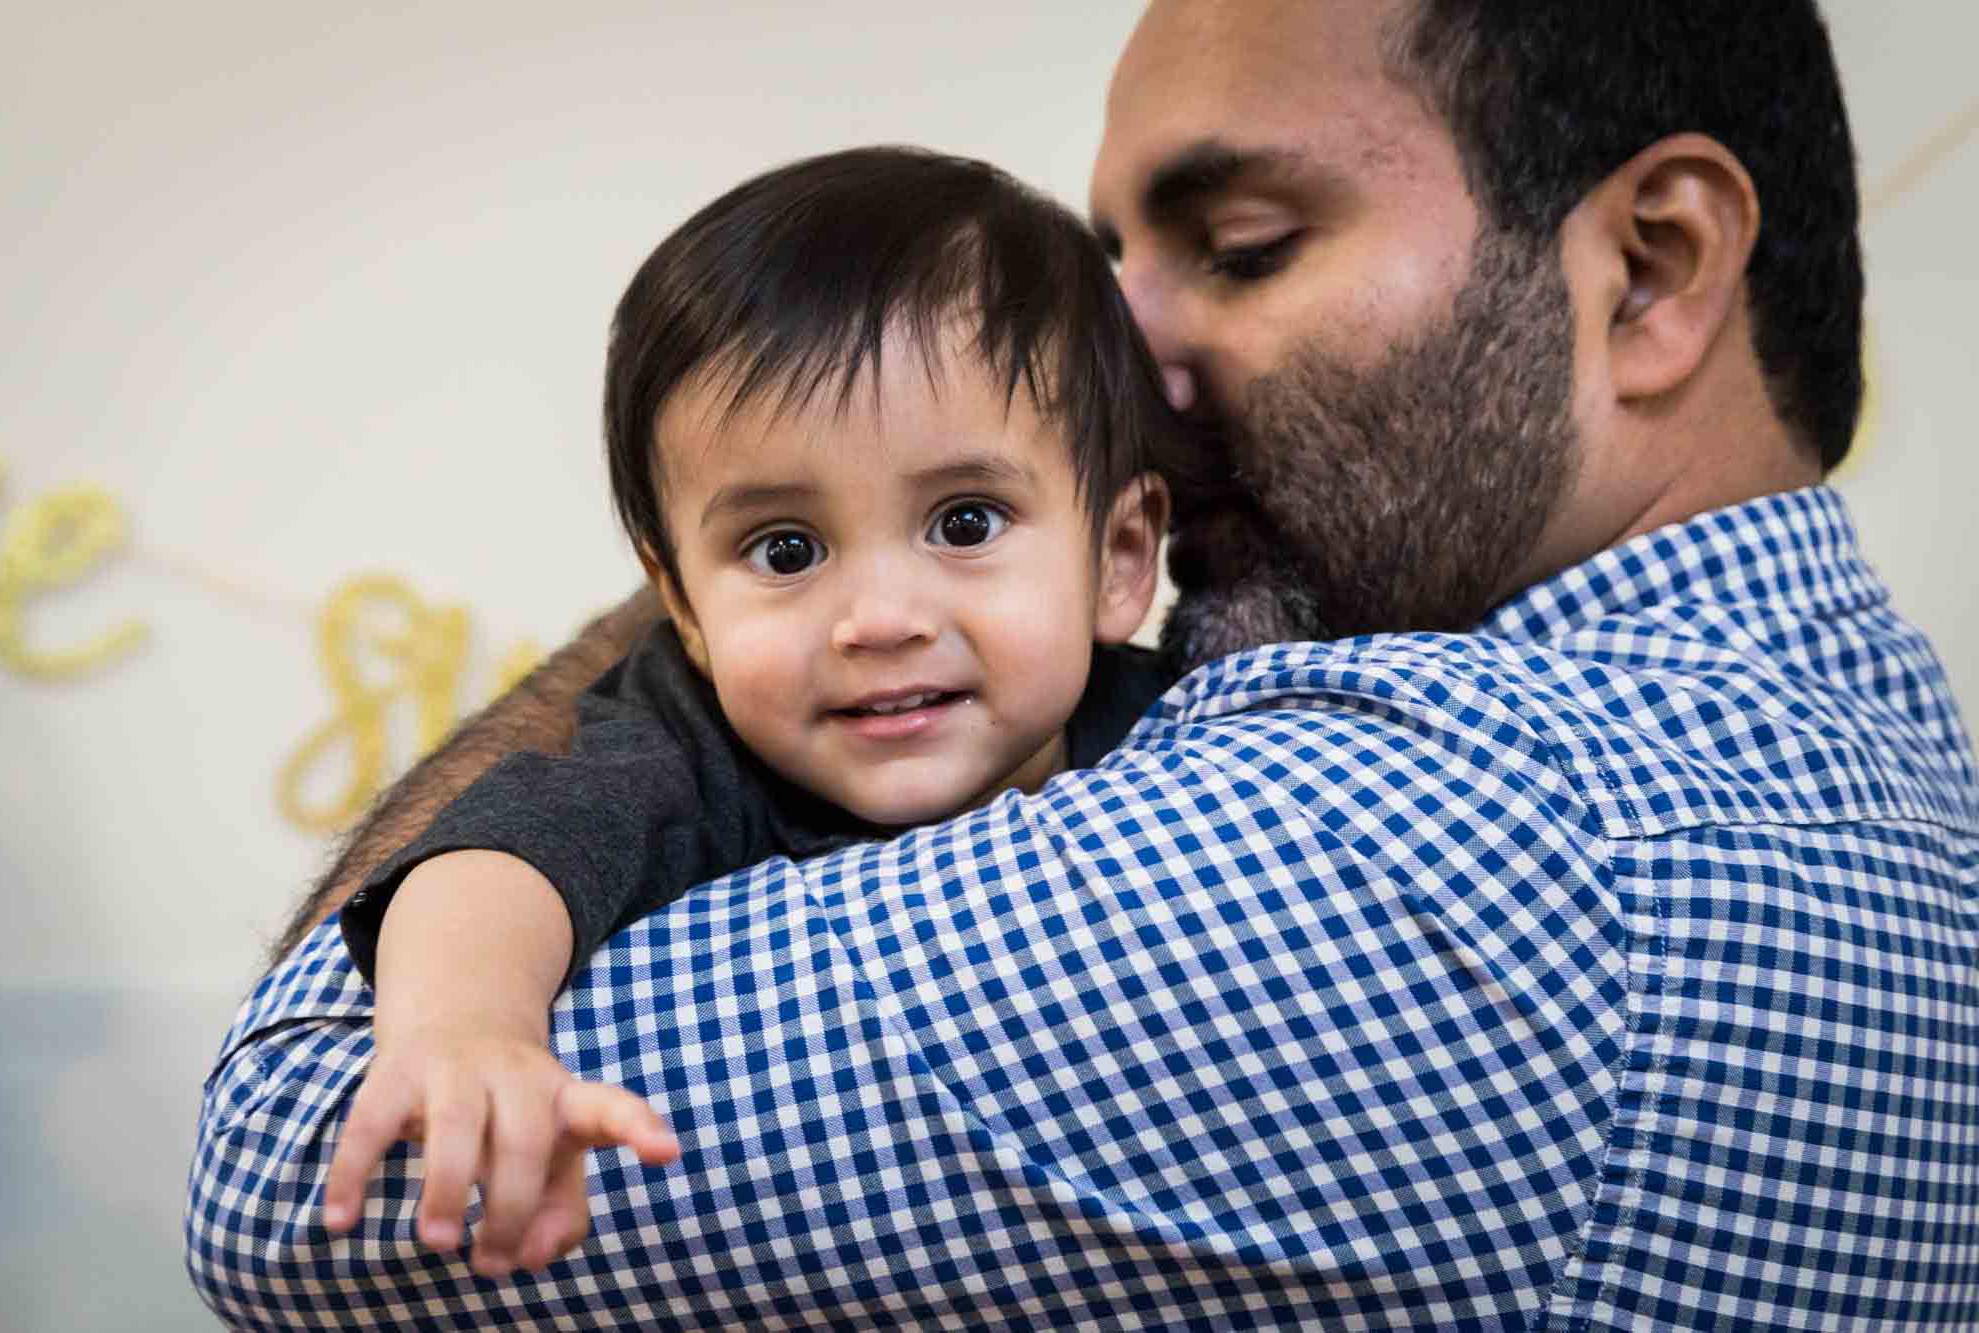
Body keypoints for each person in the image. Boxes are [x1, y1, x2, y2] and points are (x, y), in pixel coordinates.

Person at [189, 2, 1979, 1328]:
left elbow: (292, 1179)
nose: (1121, 351)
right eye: (1116, 258)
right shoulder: (1865, 738)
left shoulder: (1442, 830)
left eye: (1244, 245)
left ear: (1651, 269)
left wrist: (706, 613)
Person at [319, 146, 1185, 1279]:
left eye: (965, 522)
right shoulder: (688, 751)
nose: (876, 618)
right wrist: (465, 1031)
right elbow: (496, 856)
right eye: (785, 550)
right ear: (679, 602)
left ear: (1120, 557)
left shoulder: (1193, 737)